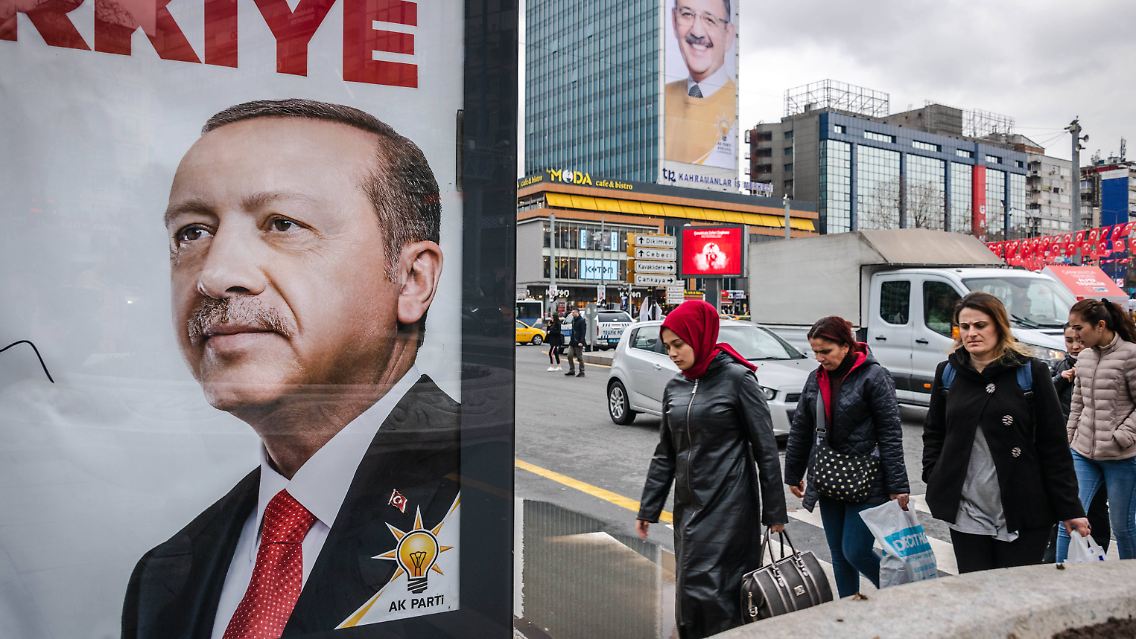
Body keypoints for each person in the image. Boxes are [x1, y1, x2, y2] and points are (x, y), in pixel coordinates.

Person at [122, 99, 460, 638]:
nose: (215, 273)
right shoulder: (167, 575)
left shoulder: (497, 505)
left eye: (283, 224)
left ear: (412, 279)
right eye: (191, 232)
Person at [636, 300, 786, 639]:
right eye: (667, 346)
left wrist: (774, 510)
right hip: (688, 507)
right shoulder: (676, 387)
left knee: (720, 591)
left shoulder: (737, 380)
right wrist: (649, 506)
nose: (672, 353)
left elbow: (765, 448)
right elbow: (665, 453)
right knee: (690, 586)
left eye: (678, 344)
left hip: (731, 507)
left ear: (699, 337)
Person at [923, 292, 1087, 573]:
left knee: (1016, 596)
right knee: (977, 593)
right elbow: (934, 431)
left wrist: (1070, 508)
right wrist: (934, 472)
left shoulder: (1030, 371)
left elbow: (1053, 444)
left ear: (999, 326)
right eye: (965, 327)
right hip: (967, 509)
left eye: (980, 325)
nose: (971, 333)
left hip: (1024, 505)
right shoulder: (949, 372)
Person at [783, 316, 909, 598]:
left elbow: (890, 431)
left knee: (855, 551)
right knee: (839, 554)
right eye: (815, 351)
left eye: (825, 351)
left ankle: (901, 597)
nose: (819, 358)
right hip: (829, 476)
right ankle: (848, 610)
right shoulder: (815, 379)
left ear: (845, 345)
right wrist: (792, 473)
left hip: (868, 478)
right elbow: (801, 428)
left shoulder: (875, 376)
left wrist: (898, 485)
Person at [1056, 298, 1136, 562]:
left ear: (1100, 325)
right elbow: (1078, 405)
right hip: (1082, 453)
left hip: (1121, 457)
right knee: (1068, 521)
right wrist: (1069, 441)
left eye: (1079, 328)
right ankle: (1056, 578)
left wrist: (1122, 436)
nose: (1075, 336)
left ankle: (1129, 585)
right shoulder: (1086, 358)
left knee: (1123, 528)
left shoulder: (1130, 355)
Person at [1043, 326, 1109, 562]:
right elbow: (1043, 396)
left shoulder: (1100, 365)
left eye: (1079, 341)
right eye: (1069, 341)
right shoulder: (1059, 366)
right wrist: (1061, 379)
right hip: (1064, 445)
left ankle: (1097, 552)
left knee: (1096, 506)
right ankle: (1056, 558)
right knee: (1063, 504)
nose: (1074, 346)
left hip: (1093, 447)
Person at [664, 0, 737, 167]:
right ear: (674, 21)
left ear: (728, 34)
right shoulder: (661, 98)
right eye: (687, 15)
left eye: (709, 19)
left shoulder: (734, 108)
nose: (697, 32)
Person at [564, 308, 587, 377]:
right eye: (572, 312)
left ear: (577, 313)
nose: (572, 314)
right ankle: (572, 370)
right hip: (572, 341)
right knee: (569, 355)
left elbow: (583, 332)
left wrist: (581, 341)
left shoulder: (582, 321)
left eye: (573, 312)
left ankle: (582, 371)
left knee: (579, 357)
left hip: (579, 342)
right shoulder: (573, 320)